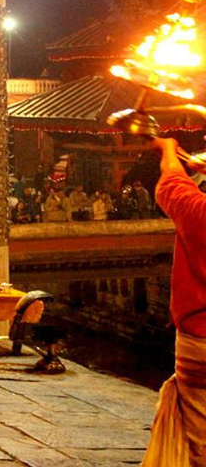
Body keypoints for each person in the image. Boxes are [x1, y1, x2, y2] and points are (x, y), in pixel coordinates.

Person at [141, 137, 206, 466]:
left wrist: (169, 150)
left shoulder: (198, 212)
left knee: (201, 442)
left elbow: (171, 181)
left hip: (200, 345)